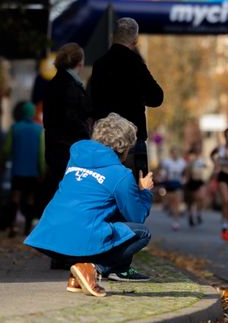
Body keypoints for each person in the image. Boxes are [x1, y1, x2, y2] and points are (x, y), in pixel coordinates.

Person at [24, 113, 154, 297]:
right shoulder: (120, 174)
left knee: (98, 220)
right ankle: (93, 269)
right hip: (80, 237)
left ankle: (76, 278)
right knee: (142, 232)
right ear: (125, 147)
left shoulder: (76, 156)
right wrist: (145, 191)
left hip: (50, 236)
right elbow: (137, 217)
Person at [89, 17, 164, 179]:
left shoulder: (100, 65)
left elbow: (90, 103)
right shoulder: (136, 64)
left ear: (112, 36)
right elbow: (157, 97)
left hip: (104, 141)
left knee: (106, 193)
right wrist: (138, 97)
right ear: (135, 41)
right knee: (134, 192)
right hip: (132, 139)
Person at [42, 42, 91, 206]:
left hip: (54, 147)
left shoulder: (53, 84)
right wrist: (88, 136)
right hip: (70, 150)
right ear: (80, 62)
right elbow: (73, 118)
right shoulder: (71, 86)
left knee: (56, 193)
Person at [4, 102, 45, 237]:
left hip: (18, 169)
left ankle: (12, 225)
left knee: (15, 197)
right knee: (30, 199)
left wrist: (4, 161)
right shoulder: (39, 130)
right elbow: (41, 153)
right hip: (33, 171)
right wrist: (42, 170)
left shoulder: (15, 128)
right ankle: (27, 229)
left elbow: (7, 149)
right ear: (32, 113)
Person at [159, 147, 187, 230]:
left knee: (177, 203)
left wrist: (185, 179)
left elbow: (185, 172)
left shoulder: (182, 162)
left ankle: (176, 222)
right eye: (174, 153)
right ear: (171, 153)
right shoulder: (167, 162)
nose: (175, 154)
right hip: (169, 184)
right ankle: (170, 210)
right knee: (171, 202)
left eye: (177, 152)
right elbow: (162, 170)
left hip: (178, 183)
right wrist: (162, 176)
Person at [184, 141, 207, 227]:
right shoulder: (190, 157)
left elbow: (205, 166)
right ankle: (190, 216)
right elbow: (187, 169)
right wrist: (186, 178)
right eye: (196, 147)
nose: (198, 149)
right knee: (191, 200)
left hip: (200, 180)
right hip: (191, 180)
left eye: (199, 147)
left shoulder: (202, 157)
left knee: (200, 198)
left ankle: (198, 214)